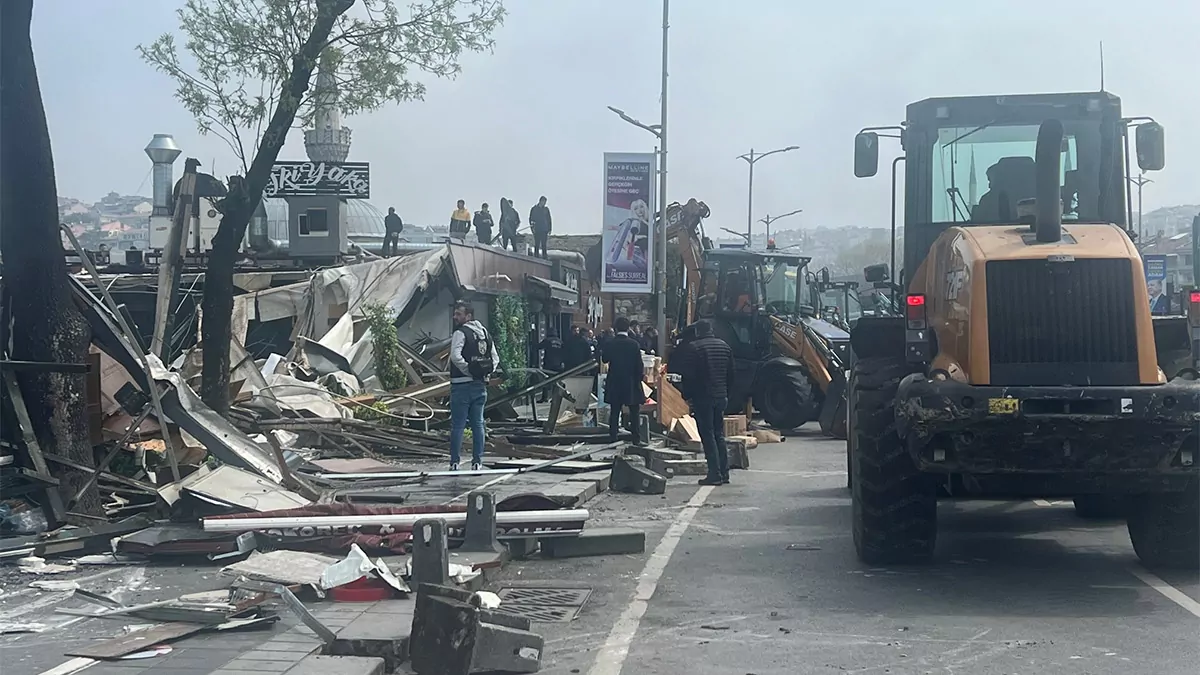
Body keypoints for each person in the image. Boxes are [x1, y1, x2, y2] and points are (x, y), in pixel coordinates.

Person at [675, 319, 734, 485]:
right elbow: (731, 374)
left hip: (703, 397)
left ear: (697, 332)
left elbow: (689, 376)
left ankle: (714, 474)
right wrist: (726, 393)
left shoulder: (695, 348)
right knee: (719, 435)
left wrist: (687, 396)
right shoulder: (724, 346)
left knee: (707, 435)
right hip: (721, 396)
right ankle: (724, 472)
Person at [448, 301, 500, 471]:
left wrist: (467, 371)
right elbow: (495, 359)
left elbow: (455, 356)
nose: (455, 317)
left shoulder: (460, 333)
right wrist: (484, 373)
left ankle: (455, 462)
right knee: (478, 423)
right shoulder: (485, 333)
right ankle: (477, 462)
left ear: (468, 316)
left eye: (458, 314)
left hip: (461, 385)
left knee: (458, 425)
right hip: (480, 385)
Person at [603, 317, 645, 445]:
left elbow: (605, 359)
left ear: (615, 328)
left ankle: (613, 437)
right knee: (634, 412)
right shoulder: (634, 344)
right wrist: (638, 379)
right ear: (628, 328)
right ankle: (636, 438)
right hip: (631, 381)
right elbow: (639, 365)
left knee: (615, 411)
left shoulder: (610, 343)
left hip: (615, 380)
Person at [537, 328, 564, 403]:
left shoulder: (547, 340)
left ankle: (544, 397)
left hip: (548, 364)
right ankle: (554, 397)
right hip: (558, 364)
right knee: (556, 382)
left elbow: (538, 346)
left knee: (546, 381)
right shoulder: (560, 341)